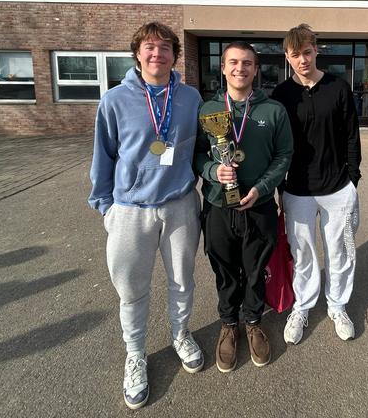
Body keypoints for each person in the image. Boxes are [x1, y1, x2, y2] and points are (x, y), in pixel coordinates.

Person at [89, 22, 204, 410]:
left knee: (182, 281)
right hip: (130, 210)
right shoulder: (115, 100)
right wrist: (105, 207)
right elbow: (103, 155)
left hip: (180, 205)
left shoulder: (190, 98)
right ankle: (135, 354)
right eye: (150, 47)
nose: (158, 54)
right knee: (132, 290)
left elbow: (203, 148)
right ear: (137, 53)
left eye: (166, 48)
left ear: (175, 54)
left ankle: (180, 334)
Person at [194, 41, 293, 372]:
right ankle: (228, 323)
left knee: (255, 269)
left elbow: (283, 156)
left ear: (256, 69)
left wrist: (263, 187)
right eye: (233, 62)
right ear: (223, 68)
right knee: (224, 269)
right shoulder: (208, 110)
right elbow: (195, 155)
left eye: (247, 63)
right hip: (219, 205)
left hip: (259, 205)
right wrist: (212, 171)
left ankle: (252, 321)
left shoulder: (273, 111)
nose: (240, 68)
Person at [271, 24, 362, 345]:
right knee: (304, 252)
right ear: (287, 56)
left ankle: (337, 305)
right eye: (295, 55)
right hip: (297, 189)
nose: (302, 60)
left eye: (307, 52)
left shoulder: (338, 87)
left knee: (340, 252)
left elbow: (352, 135)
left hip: (338, 187)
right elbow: (275, 144)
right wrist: (278, 187)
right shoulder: (281, 94)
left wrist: (353, 180)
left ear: (316, 51)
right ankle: (304, 305)